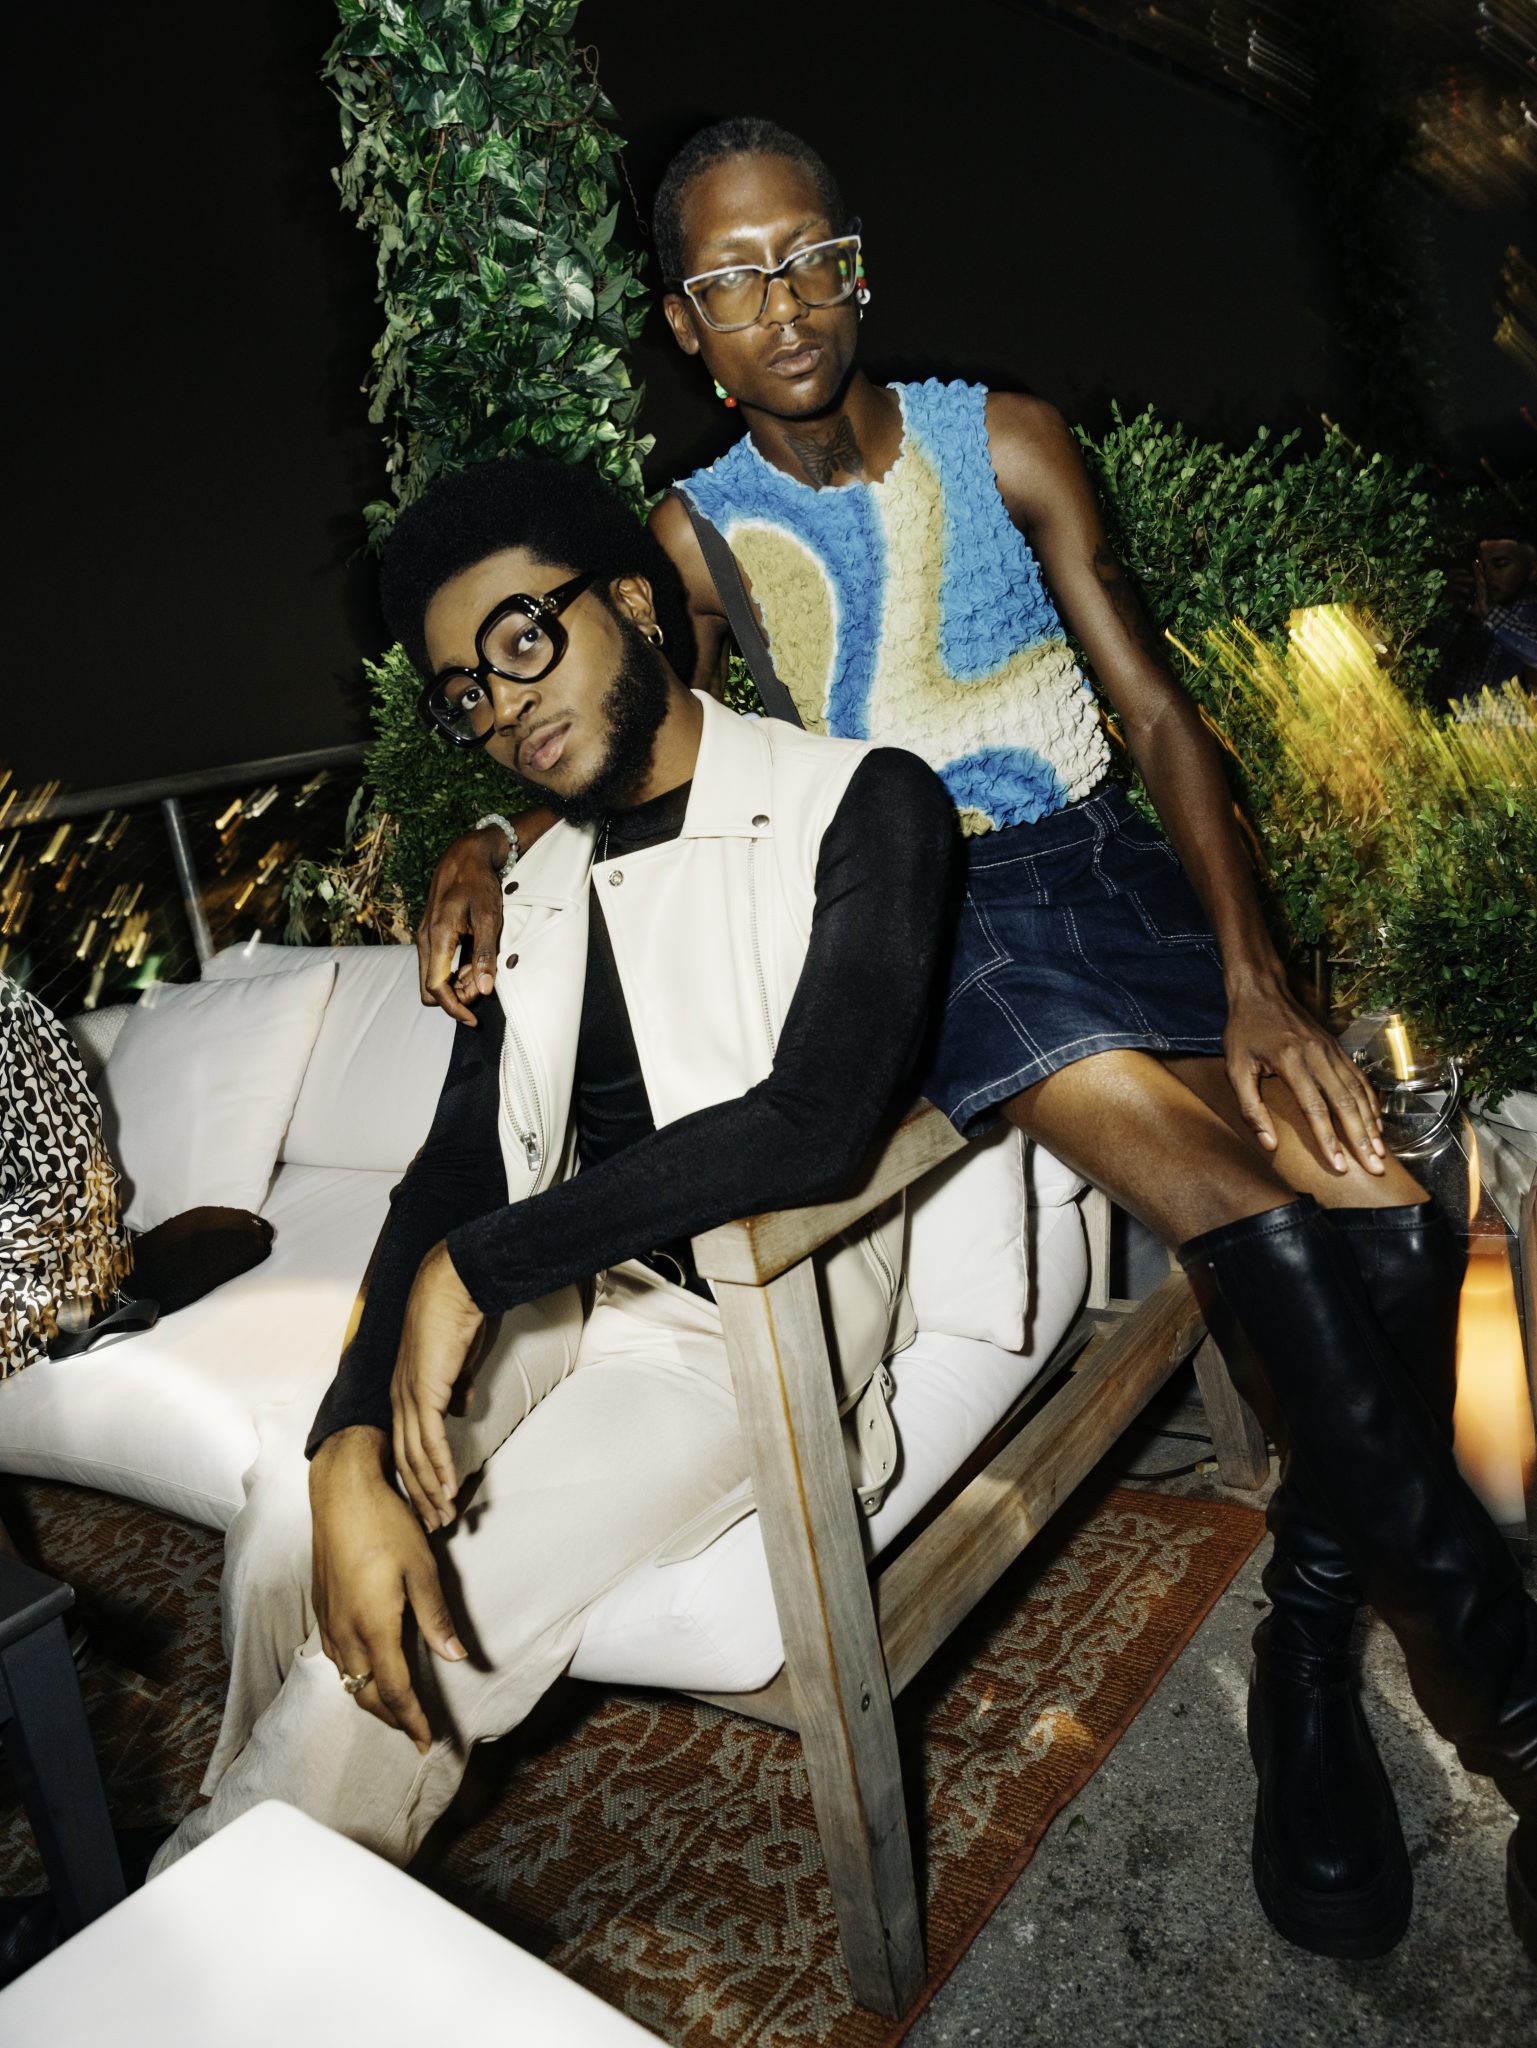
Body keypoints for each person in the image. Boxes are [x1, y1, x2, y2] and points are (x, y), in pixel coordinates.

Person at [416, 119, 1537, 1965]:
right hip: (937, 914)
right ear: (684, 325)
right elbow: (620, 737)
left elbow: (1156, 715)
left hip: (1114, 871)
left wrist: (1256, 984)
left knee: (1392, 1222)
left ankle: (1304, 1639)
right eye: (731, 279)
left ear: (854, 263)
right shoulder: (691, 535)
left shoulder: (1003, 436)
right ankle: (1510, 1715)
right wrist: (484, 834)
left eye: (806, 255)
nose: (781, 302)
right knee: (1251, 1214)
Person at [138, 452, 955, 1878]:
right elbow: (455, 1168)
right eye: (464, 687)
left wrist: (479, 1269)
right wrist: (346, 1432)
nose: (502, 703)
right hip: (564, 1299)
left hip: (739, 1334)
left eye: (523, 638)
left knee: (420, 1621)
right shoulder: (529, 881)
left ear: (632, 604)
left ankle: (196, 1917)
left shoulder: (865, 804)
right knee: (284, 1524)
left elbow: (815, 1121)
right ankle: (266, 1865)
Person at [1427, 518, 1537, 718]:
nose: (1488, 575)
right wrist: (1442, 604)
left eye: (1500, 565)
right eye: (1481, 566)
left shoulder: (1526, 612)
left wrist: (1489, 614)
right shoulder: (1473, 608)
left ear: (1532, 570)